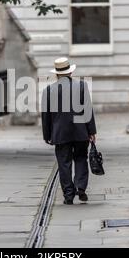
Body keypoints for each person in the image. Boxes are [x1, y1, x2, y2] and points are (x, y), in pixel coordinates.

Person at [41, 57, 97, 205]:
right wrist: (91, 131)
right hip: (80, 131)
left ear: (57, 74)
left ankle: (68, 195)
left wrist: (47, 135)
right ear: (70, 72)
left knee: (64, 163)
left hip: (60, 133)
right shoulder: (82, 86)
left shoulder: (48, 90)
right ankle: (81, 187)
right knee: (80, 158)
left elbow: (46, 116)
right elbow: (88, 110)